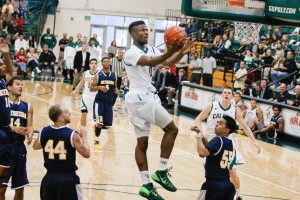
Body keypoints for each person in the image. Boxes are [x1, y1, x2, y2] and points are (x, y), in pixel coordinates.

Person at [123, 20, 193, 199]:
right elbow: (151, 62)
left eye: (147, 29)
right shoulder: (131, 52)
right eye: (141, 30)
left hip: (139, 99)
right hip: (141, 97)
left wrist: (180, 54)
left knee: (142, 143)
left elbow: (166, 62)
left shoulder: (151, 48)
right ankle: (161, 171)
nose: (146, 32)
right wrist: (172, 50)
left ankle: (146, 185)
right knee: (172, 129)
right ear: (133, 34)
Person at [191, 86, 261, 200]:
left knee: (232, 170)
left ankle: (238, 195)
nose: (227, 94)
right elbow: (198, 119)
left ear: (232, 96)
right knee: (209, 170)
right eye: (225, 92)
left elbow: (245, 127)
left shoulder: (234, 110)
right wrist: (202, 133)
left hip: (226, 142)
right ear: (222, 94)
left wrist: (254, 142)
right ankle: (212, 191)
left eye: (229, 93)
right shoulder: (212, 106)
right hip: (211, 140)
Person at [32, 104, 90, 200]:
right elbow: (86, 154)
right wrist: (84, 137)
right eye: (67, 112)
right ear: (61, 118)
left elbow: (35, 146)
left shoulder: (44, 131)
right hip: (67, 180)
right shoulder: (72, 135)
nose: (70, 113)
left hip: (49, 179)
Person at [0, 77, 33, 200]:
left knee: (20, 187)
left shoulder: (28, 106)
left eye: (22, 84)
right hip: (5, 146)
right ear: (9, 87)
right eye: (17, 84)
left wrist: (29, 134)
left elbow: (30, 125)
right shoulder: (3, 105)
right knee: (2, 188)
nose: (20, 87)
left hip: (19, 149)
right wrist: (12, 128)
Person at [194, 115, 237, 200]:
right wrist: (202, 135)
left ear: (226, 130)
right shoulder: (229, 143)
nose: (216, 124)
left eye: (220, 123)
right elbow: (212, 149)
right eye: (217, 122)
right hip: (227, 186)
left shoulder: (217, 140)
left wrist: (199, 139)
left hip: (214, 186)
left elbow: (202, 153)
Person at [90, 57, 119, 148]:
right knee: (100, 123)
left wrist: (116, 92)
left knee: (108, 126)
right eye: (105, 62)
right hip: (100, 102)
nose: (106, 63)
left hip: (109, 103)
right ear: (102, 64)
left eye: (108, 62)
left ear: (110, 63)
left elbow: (115, 88)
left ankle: (96, 128)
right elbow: (91, 88)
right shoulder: (98, 75)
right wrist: (99, 87)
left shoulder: (114, 75)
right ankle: (96, 139)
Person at [0, 39, 13, 191]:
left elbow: (10, 72)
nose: (4, 67)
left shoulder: (3, 82)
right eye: (1, 65)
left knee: (3, 176)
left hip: (6, 130)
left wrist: (6, 55)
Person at [71, 58, 98, 127]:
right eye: (92, 63)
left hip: (95, 96)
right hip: (86, 95)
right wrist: (75, 90)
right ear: (89, 65)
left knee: (95, 116)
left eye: (95, 63)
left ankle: (95, 133)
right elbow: (81, 82)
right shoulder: (85, 73)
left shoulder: (99, 74)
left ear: (97, 65)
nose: (93, 65)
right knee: (84, 112)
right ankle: (83, 129)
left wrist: (92, 83)